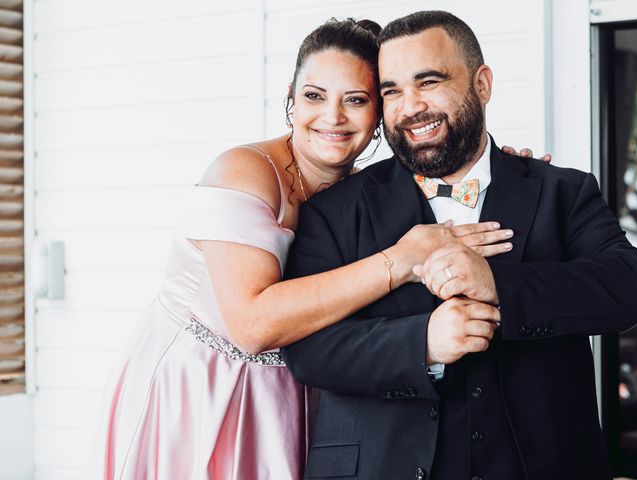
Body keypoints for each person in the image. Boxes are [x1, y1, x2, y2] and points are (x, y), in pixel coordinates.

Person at [91, 18, 533, 480]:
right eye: (314, 96)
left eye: (356, 100)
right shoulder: (244, 172)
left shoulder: (364, 197)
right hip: (201, 392)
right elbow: (251, 324)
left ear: (380, 113)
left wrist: (501, 174)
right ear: (291, 97)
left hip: (296, 396)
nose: (332, 117)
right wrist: (401, 260)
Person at [282, 10, 637, 480]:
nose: (410, 108)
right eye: (391, 91)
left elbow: (627, 286)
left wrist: (500, 285)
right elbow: (307, 350)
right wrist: (422, 344)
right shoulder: (333, 209)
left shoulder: (562, 191)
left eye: (428, 82)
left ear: (483, 84)